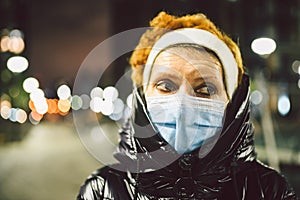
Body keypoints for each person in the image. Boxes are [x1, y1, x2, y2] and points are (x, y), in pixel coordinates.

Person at [77, 11, 297, 199]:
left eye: (205, 89)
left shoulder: (269, 190)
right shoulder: (102, 191)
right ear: (143, 97)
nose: (182, 102)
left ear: (231, 103)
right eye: (165, 85)